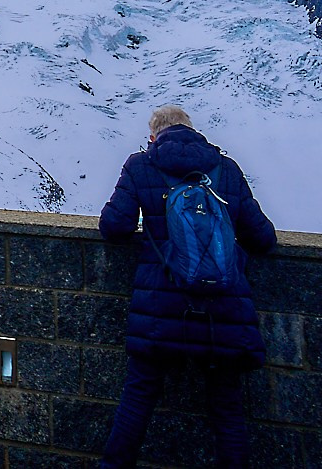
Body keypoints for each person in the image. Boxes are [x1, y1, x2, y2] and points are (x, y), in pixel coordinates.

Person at [97, 104, 277, 469]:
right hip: (223, 310)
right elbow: (262, 238)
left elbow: (114, 226)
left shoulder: (141, 165)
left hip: (160, 308)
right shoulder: (225, 168)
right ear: (192, 130)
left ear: (153, 137)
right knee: (227, 408)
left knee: (138, 399)